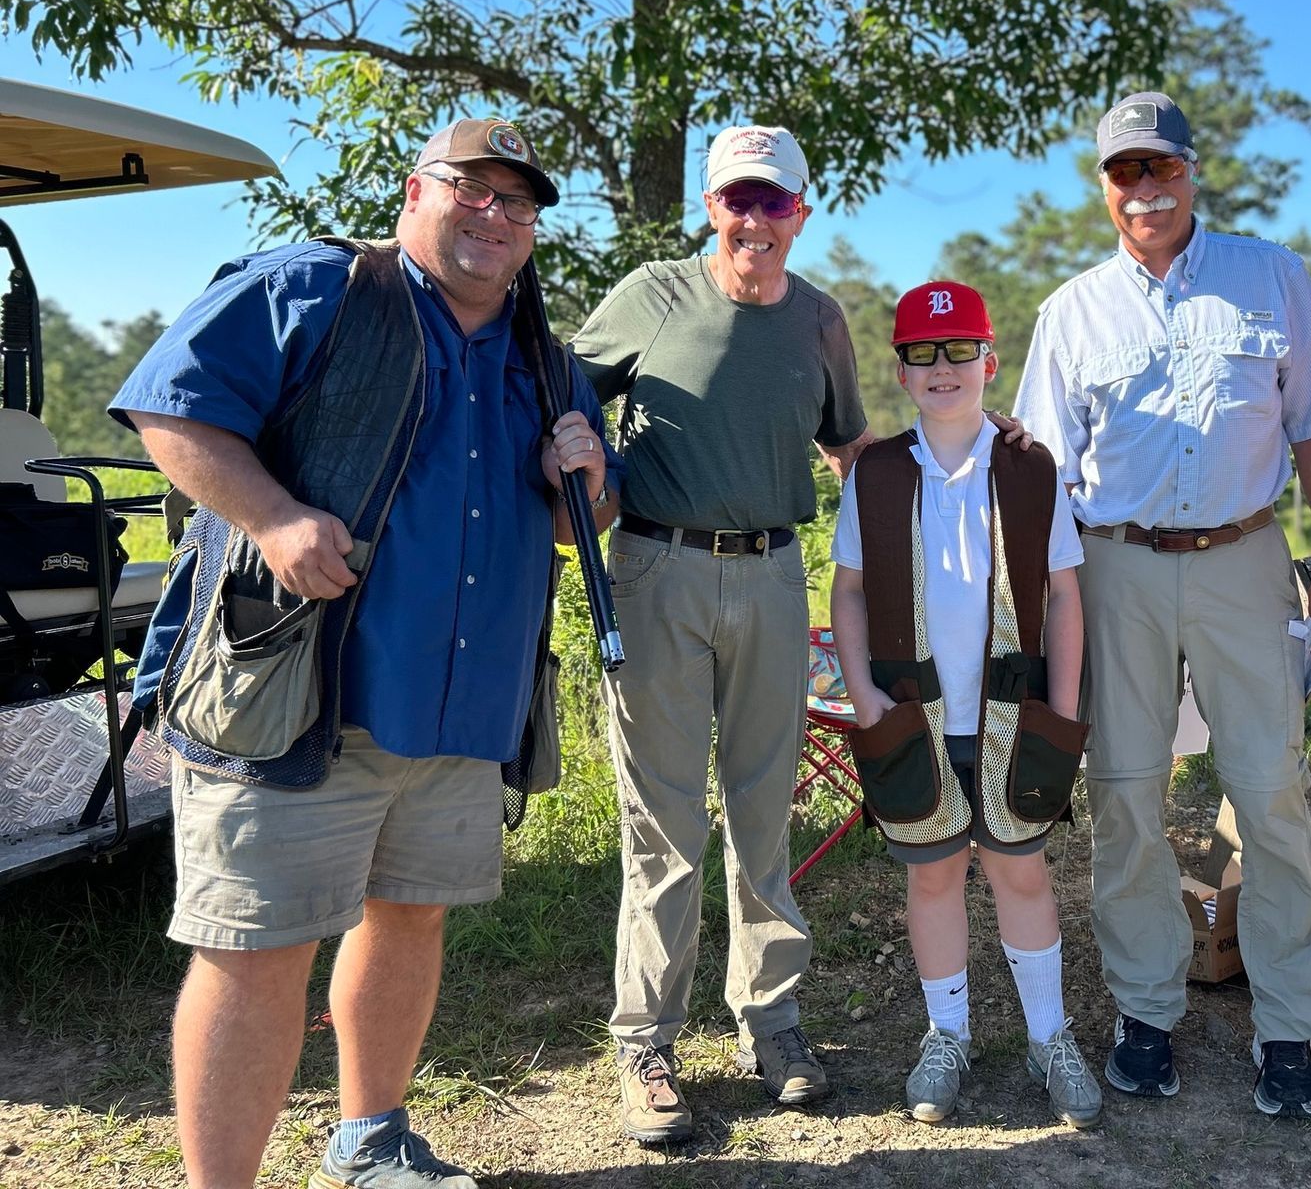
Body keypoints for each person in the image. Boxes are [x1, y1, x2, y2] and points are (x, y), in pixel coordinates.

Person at [112, 118, 617, 1189]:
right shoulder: (313, 289)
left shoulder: (548, 358)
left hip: (459, 709)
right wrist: (274, 518)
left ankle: (372, 1140)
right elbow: (171, 407)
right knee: (255, 954)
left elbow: (582, 527)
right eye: (471, 191)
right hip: (297, 691)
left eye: (518, 205)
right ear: (414, 190)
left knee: (410, 919)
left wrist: (585, 470)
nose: (495, 216)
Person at [1014, 91, 1311, 1118]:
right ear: (1104, 187)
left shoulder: (1271, 278)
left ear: (1190, 172)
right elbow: (1044, 474)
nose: (1146, 189)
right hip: (1114, 568)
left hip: (1247, 560)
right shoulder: (1073, 311)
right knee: (1126, 792)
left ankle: (1291, 1028)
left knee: (1270, 793)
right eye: (1126, 173)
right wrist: (1041, 613)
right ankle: (1145, 1011)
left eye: (1160, 168)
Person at [570, 125, 872, 1143]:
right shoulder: (653, 294)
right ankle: (646, 1042)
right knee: (662, 823)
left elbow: (851, 450)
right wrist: (581, 452)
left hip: (776, 575)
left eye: (773, 202)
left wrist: (952, 486)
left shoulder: (822, 322)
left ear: (802, 212)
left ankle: (771, 1024)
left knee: (762, 812)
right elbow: (564, 393)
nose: (755, 221)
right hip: (656, 571)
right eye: (737, 201)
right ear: (711, 208)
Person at [829, 280, 1102, 1130]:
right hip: (910, 715)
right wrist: (864, 696)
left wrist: (1062, 709)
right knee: (934, 876)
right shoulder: (874, 472)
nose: (942, 369)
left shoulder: (1029, 466)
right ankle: (945, 1034)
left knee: (1021, 871)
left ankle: (1049, 1036)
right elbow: (847, 592)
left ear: (990, 361)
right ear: (901, 371)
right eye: (922, 355)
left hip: (1016, 716)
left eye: (958, 352)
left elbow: (1063, 595)